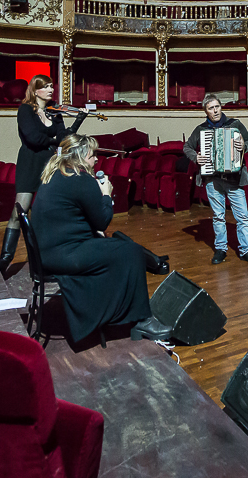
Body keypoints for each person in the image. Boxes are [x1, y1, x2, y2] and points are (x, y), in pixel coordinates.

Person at [32, 134, 172, 343]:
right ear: (80, 157)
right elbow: (102, 221)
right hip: (65, 255)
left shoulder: (55, 174)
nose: (96, 160)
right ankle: (143, 319)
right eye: (92, 155)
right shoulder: (81, 179)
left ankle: (115, 310)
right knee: (131, 251)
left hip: (46, 253)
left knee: (118, 245)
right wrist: (106, 195)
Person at [0, 74, 88, 272]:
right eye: (46, 87)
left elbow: (63, 138)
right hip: (29, 162)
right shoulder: (25, 110)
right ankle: (5, 260)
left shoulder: (54, 112)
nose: (51, 90)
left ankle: (41, 261)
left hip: (49, 163)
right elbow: (33, 138)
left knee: (45, 214)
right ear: (35, 90)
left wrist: (77, 122)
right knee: (20, 211)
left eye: (52, 86)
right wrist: (52, 138)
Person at [183, 94, 248, 265]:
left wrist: (244, 146)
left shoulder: (235, 124)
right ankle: (221, 249)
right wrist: (196, 157)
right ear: (206, 111)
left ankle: (245, 250)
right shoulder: (201, 129)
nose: (215, 110)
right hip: (213, 179)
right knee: (218, 216)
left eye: (217, 106)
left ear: (221, 107)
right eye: (211, 108)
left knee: (242, 217)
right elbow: (187, 146)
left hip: (234, 178)